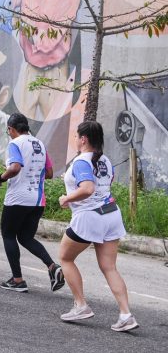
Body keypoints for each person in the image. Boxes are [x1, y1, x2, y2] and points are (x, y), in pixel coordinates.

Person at [57, 121, 138, 331]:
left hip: (90, 217)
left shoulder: (82, 161)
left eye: (77, 136)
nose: (75, 139)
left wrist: (67, 198)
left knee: (65, 258)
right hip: (111, 214)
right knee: (109, 267)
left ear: (83, 139)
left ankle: (81, 305)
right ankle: (126, 314)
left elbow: (88, 188)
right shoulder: (106, 160)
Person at [0, 113, 64, 292]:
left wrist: (1, 178)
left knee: (9, 235)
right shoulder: (39, 144)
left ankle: (17, 280)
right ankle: (52, 267)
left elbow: (15, 167)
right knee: (25, 237)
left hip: (18, 198)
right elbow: (49, 173)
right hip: (37, 200)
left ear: (11, 129)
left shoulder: (15, 144)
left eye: (8, 130)